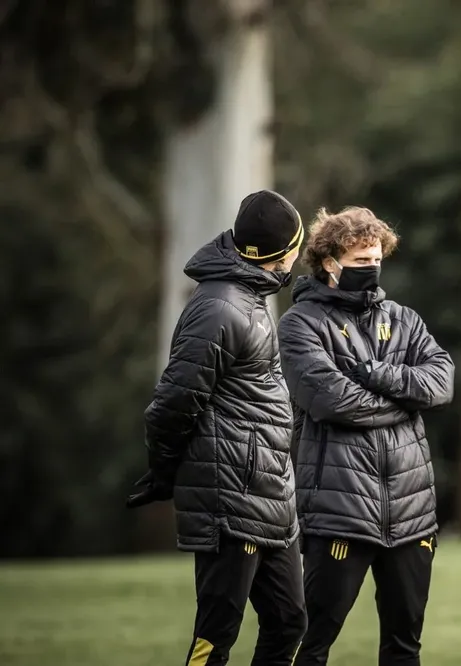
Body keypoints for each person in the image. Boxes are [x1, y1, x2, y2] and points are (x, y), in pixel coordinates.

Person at [127, 189, 308, 665]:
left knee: (289, 622)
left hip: (270, 496)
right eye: (297, 247)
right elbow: (172, 402)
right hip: (231, 496)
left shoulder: (250, 298)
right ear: (283, 253)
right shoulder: (220, 307)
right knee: (216, 638)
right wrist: (164, 469)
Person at [277, 206, 455, 666]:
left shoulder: (404, 319)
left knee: (404, 647)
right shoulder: (299, 325)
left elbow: (442, 383)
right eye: (360, 262)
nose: (372, 269)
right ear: (329, 263)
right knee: (311, 643)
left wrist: (379, 375)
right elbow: (332, 402)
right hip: (338, 512)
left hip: (412, 514)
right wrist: (404, 402)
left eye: (377, 259)